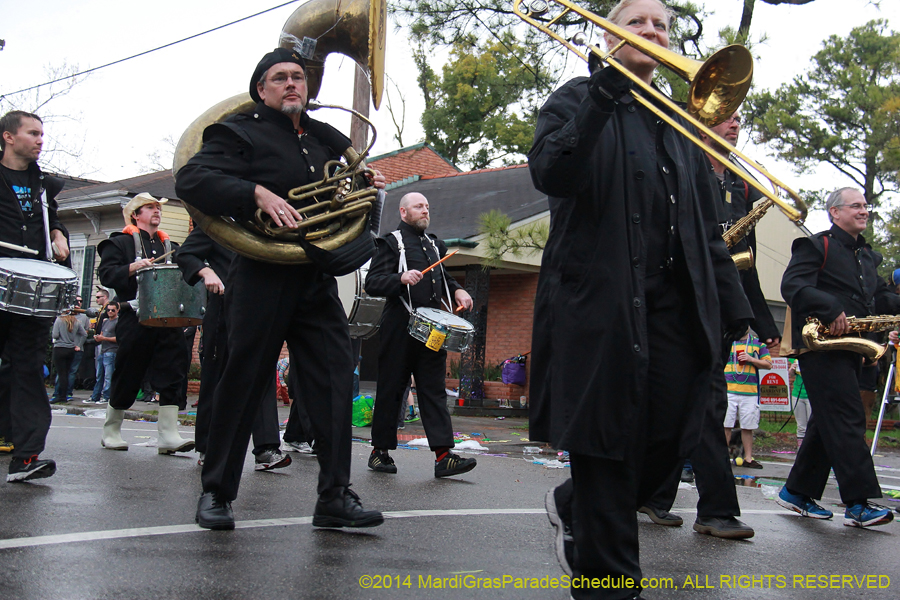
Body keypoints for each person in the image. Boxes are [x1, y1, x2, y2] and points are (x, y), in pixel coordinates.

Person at [526, 1, 753, 596]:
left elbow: (706, 228)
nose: (653, 33)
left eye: (662, 27)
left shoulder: (678, 122)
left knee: (672, 435)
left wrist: (735, 309)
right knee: (605, 443)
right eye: (638, 23)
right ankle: (608, 581)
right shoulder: (576, 97)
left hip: (676, 311)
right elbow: (552, 172)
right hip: (600, 306)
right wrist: (604, 92)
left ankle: (575, 502)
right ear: (608, 34)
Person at [175, 45, 385, 530]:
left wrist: (362, 185)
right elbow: (192, 177)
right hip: (261, 273)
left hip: (314, 274)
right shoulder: (240, 131)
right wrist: (254, 191)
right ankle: (217, 492)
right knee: (243, 381)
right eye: (280, 78)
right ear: (261, 88)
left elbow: (346, 188)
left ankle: (334, 495)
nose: (292, 83)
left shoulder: (324, 136)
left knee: (335, 381)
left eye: (298, 77)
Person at [639, 111, 768, 539]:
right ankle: (699, 505)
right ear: (701, 123)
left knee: (699, 405)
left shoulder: (739, 183)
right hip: (676, 302)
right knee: (694, 406)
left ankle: (672, 500)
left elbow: (737, 257)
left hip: (716, 299)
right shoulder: (680, 159)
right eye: (725, 118)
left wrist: (749, 314)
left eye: (738, 119)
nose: (735, 125)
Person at [778, 187, 898, 528]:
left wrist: (873, 342)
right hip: (820, 348)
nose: (864, 211)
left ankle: (797, 491)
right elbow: (794, 287)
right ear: (835, 212)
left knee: (828, 422)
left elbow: (879, 301)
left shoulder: (868, 257)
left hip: (852, 348)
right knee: (847, 418)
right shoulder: (816, 245)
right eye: (856, 206)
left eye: (866, 206)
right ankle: (861, 502)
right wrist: (831, 308)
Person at [364, 192, 476, 477]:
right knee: (391, 390)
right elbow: (373, 283)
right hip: (399, 328)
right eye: (418, 207)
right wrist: (400, 278)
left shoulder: (435, 244)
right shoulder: (391, 243)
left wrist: (457, 289)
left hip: (431, 332)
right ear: (403, 212)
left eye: (427, 206)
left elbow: (444, 277)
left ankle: (443, 456)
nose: (425, 210)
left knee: (434, 390)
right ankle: (380, 452)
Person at [175, 225, 290, 471]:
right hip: (224, 308)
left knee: (263, 377)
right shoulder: (217, 222)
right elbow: (184, 255)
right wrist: (206, 272)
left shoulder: (266, 224)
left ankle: (266, 449)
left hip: (260, 309)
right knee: (216, 378)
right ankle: (208, 447)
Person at [0, 110, 70, 482]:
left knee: (28, 369)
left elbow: (52, 219)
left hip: (31, 289)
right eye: (33, 133)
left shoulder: (42, 184)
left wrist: (58, 235)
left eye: (42, 134)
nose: (40, 139)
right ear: (9, 137)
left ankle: (26, 458)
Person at [96, 192, 193, 455]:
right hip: (134, 317)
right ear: (136, 215)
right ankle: (111, 431)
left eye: (158, 208)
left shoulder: (169, 244)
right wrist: (132, 267)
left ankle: (168, 436)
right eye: (149, 208)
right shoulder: (120, 242)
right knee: (129, 371)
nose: (156, 211)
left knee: (174, 371)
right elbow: (106, 274)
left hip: (167, 318)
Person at [723, 329, 771, 468]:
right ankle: (722, 457)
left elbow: (768, 364)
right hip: (729, 389)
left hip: (749, 391)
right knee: (725, 425)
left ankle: (748, 458)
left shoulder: (757, 343)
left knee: (747, 426)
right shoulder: (727, 341)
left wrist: (751, 359)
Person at [50, 312, 87, 404]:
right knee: (67, 373)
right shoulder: (76, 321)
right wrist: (79, 345)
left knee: (60, 373)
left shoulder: (59, 320)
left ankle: (59, 395)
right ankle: (66, 394)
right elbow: (84, 334)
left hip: (60, 348)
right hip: (71, 349)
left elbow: (55, 335)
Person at [89, 302, 119, 404]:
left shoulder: (118, 322)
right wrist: (97, 337)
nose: (110, 312)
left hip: (111, 351)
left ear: (117, 311)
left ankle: (107, 397)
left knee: (108, 376)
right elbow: (101, 334)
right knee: (99, 375)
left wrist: (104, 338)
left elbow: (119, 338)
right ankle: (95, 396)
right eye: (108, 310)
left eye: (113, 310)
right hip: (103, 350)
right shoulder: (105, 321)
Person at [88, 288, 111, 402]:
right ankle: (96, 394)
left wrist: (101, 335)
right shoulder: (102, 310)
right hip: (99, 341)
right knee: (99, 370)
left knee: (105, 371)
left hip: (104, 343)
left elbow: (107, 325)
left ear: (105, 297)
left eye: (98, 297)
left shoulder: (108, 309)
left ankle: (105, 395)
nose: (96, 299)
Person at [788, 358, 809, 448]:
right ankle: (801, 449)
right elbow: (791, 375)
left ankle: (812, 448)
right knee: (801, 425)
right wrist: (792, 369)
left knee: (811, 424)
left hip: (811, 395)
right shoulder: (795, 358)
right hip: (797, 394)